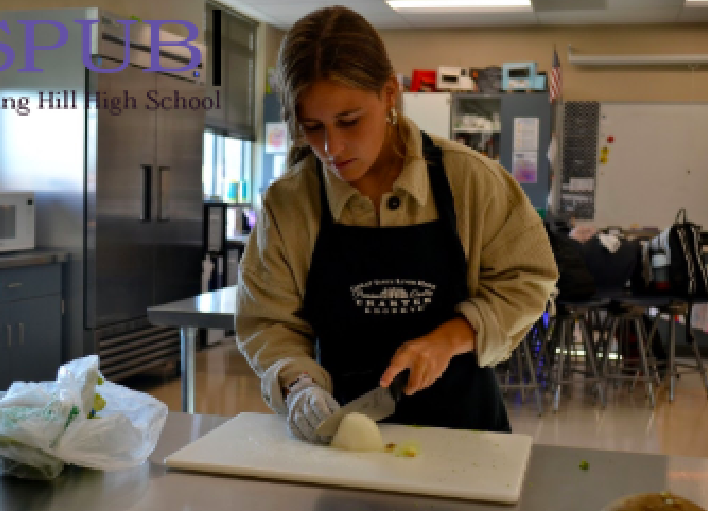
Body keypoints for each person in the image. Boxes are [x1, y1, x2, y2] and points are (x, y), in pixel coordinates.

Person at [236, 6, 558, 444]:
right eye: (313, 128)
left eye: (349, 121)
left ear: (389, 94)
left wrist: (449, 338)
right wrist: (299, 385)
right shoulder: (289, 203)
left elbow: (529, 280)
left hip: (465, 435)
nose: (333, 147)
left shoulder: (472, 182)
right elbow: (268, 323)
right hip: (340, 435)